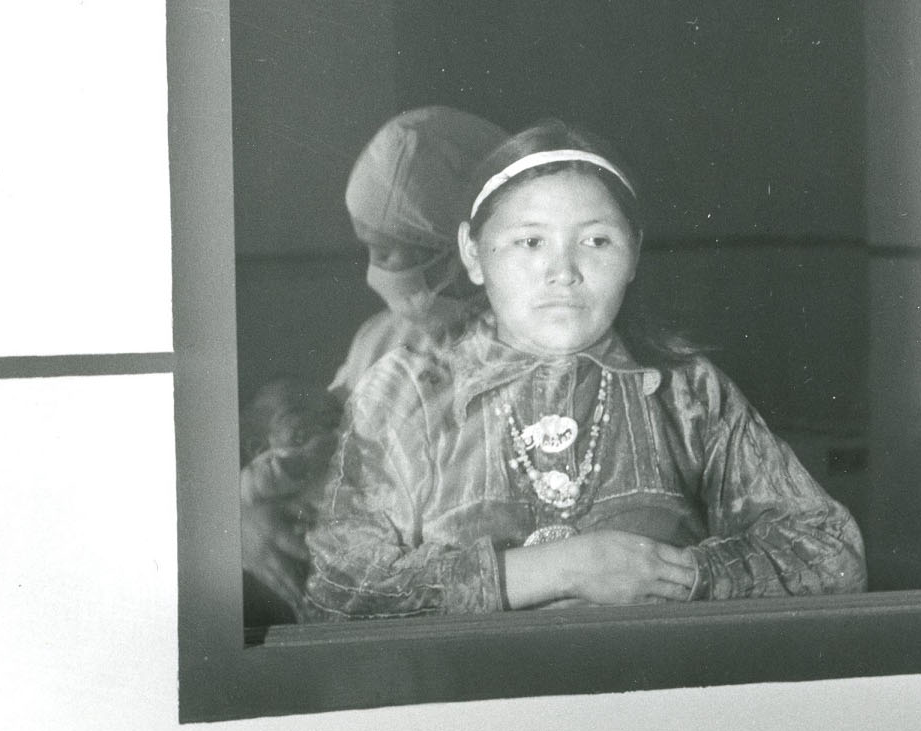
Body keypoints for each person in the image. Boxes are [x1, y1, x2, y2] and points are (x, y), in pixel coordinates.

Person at [305, 118, 867, 616]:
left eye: (597, 241)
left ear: (634, 256)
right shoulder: (407, 394)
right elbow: (338, 586)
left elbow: (831, 553)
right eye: (529, 242)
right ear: (474, 255)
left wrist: (675, 576)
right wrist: (564, 568)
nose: (563, 272)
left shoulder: (685, 391)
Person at [241, 107, 509, 623]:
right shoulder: (382, 338)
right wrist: (247, 517)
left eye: (389, 253)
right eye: (368, 248)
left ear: (456, 248)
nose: (372, 276)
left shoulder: (538, 348)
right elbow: (313, 444)